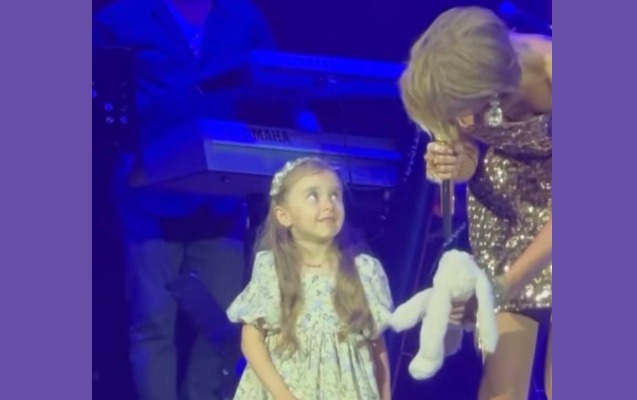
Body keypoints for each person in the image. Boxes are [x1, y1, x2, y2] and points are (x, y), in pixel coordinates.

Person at [92, 1, 317, 399]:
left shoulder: (243, 17)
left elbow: (279, 89)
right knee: (152, 321)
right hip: (148, 194)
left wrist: (302, 118)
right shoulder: (121, 19)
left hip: (221, 198)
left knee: (224, 324)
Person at [399, 7, 552, 400]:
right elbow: (468, 155)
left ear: (492, 84)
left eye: (464, 111)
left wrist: (500, 287)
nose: (464, 122)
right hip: (506, 211)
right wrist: (455, 165)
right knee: (501, 387)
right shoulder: (458, 81)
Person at [225, 157, 394, 400]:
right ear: (284, 215)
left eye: (335, 195)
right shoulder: (273, 269)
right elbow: (251, 340)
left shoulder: (365, 270)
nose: (328, 205)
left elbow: (376, 345)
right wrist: (284, 396)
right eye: (313, 196)